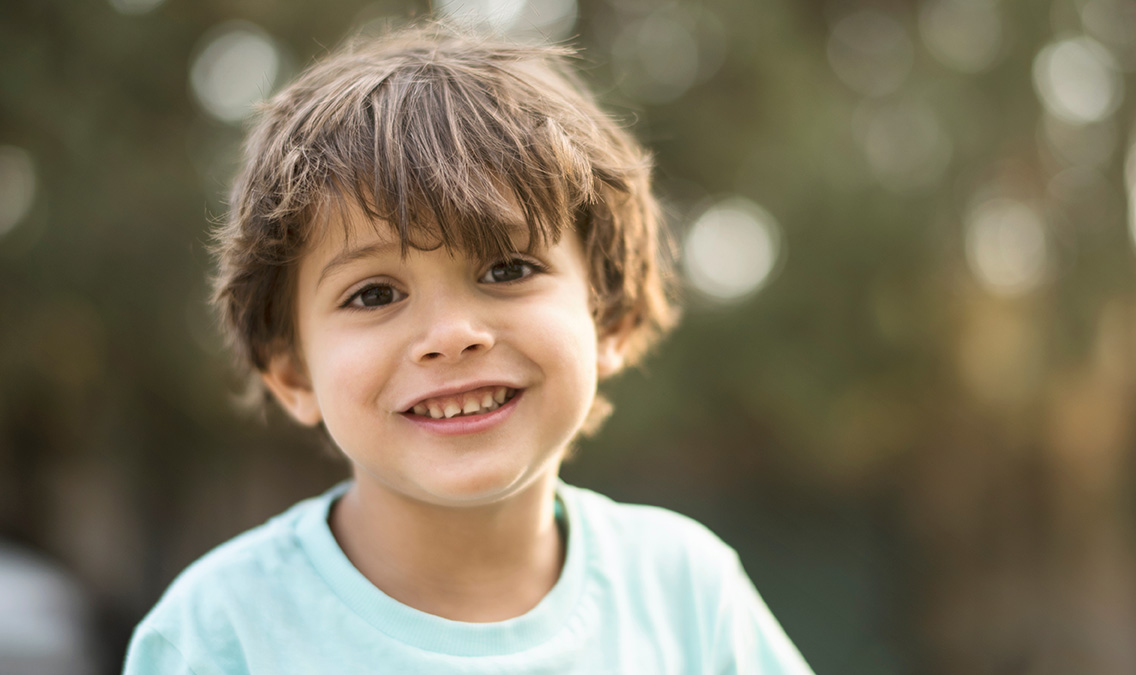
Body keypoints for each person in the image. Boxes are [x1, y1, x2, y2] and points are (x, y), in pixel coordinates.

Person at [124, 23, 813, 674]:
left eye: (506, 270)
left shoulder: (686, 591)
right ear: (291, 372)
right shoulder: (220, 632)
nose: (453, 333)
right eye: (373, 294)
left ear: (610, 318)